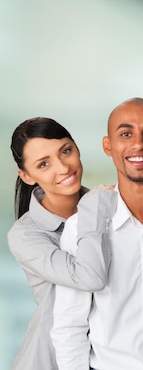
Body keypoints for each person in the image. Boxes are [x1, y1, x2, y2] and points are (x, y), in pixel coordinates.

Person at [51, 98, 143, 369]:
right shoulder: (82, 227)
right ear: (108, 146)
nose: (138, 144)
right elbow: (70, 325)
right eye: (125, 134)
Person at [7, 117, 113, 370]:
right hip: (49, 360)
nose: (63, 168)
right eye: (44, 164)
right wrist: (93, 210)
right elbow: (89, 277)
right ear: (26, 175)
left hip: (112, 355)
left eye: (66, 151)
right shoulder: (25, 235)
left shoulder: (110, 205)